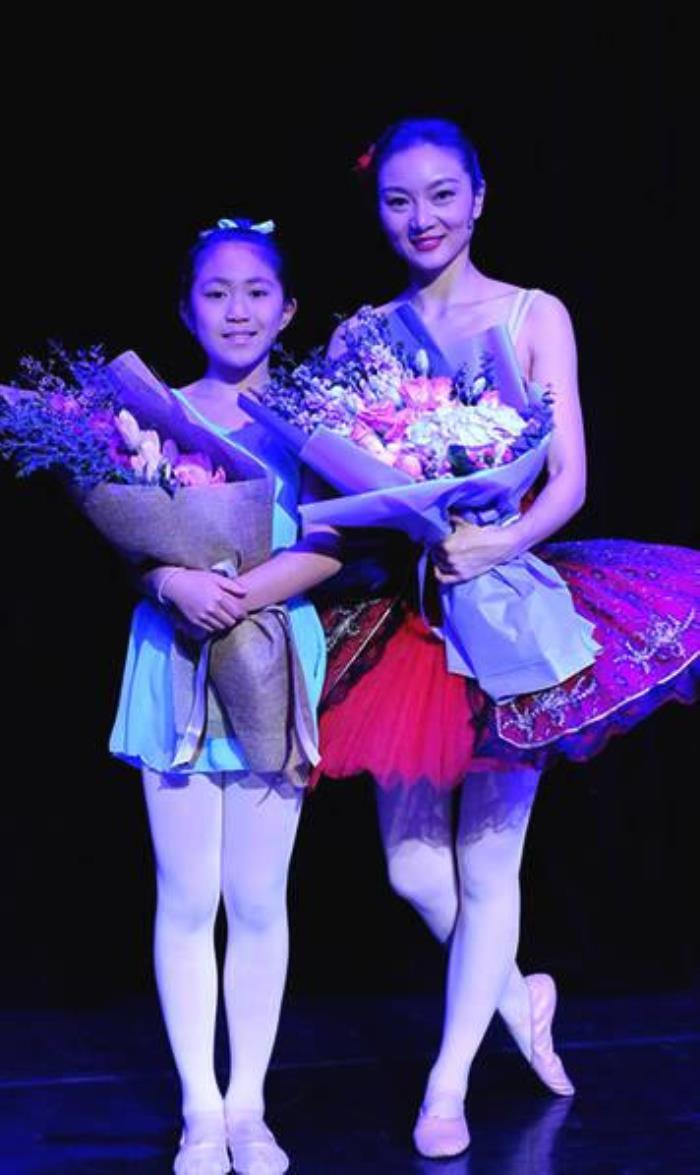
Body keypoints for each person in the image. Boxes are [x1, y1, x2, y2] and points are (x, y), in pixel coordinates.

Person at [316, 118, 700, 1159]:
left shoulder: (535, 313)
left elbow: (568, 476)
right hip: (409, 615)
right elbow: (344, 479)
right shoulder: (361, 337)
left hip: (513, 605)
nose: (423, 218)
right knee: (411, 870)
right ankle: (519, 991)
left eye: (443, 194)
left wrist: (500, 540)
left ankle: (446, 1088)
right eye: (400, 200)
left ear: (479, 197)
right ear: (378, 209)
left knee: (490, 866)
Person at [110, 218, 342, 1175]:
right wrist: (172, 580)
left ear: (288, 310)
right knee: (185, 893)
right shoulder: (151, 415)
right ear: (185, 308)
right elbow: (132, 539)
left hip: (271, 653)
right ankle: (198, 1111)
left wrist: (244, 593)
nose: (236, 309)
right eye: (215, 292)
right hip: (173, 655)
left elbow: (335, 540)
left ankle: (249, 1105)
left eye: (256, 292)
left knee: (256, 895)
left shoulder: (318, 420)